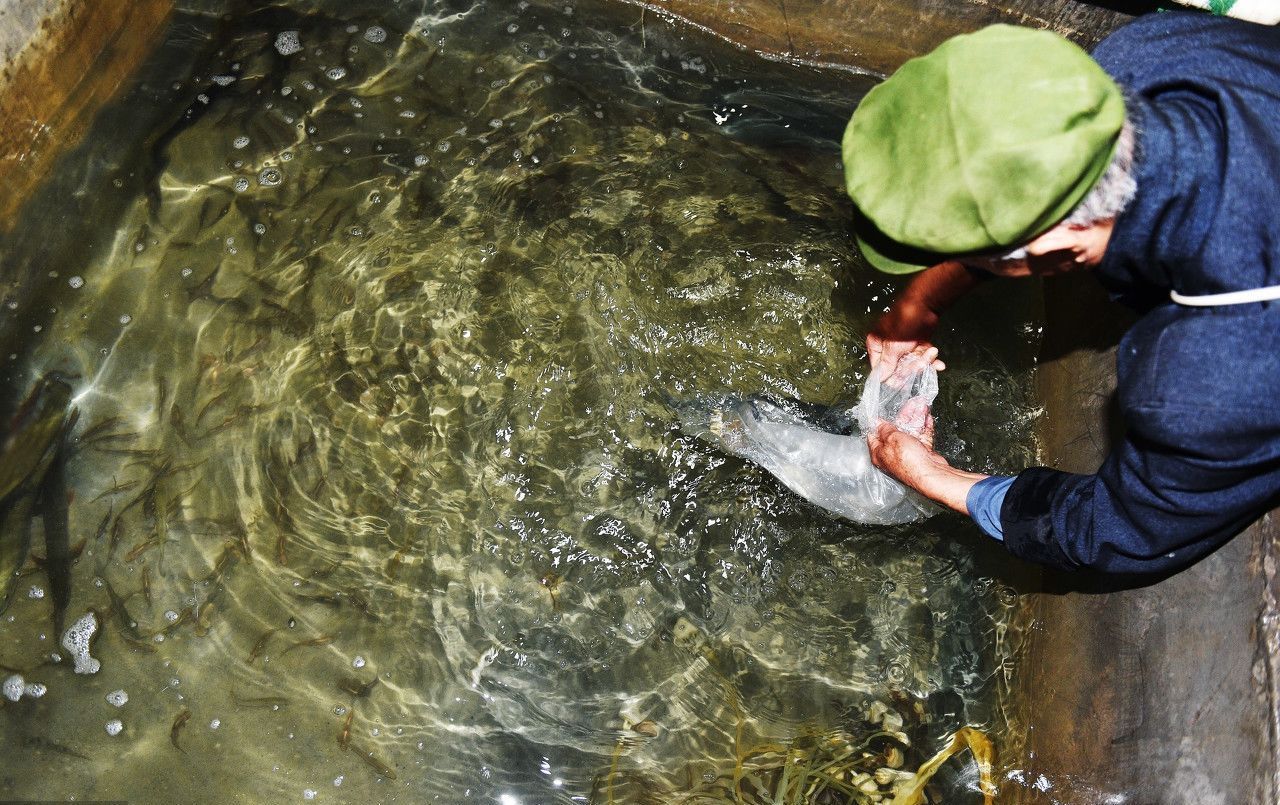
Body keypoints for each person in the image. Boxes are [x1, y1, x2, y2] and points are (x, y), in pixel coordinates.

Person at [842, 13, 1280, 574]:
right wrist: (919, 304)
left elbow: (1120, 530)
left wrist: (932, 475)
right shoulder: (1148, 53)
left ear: (1054, 252)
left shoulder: (1203, 379)